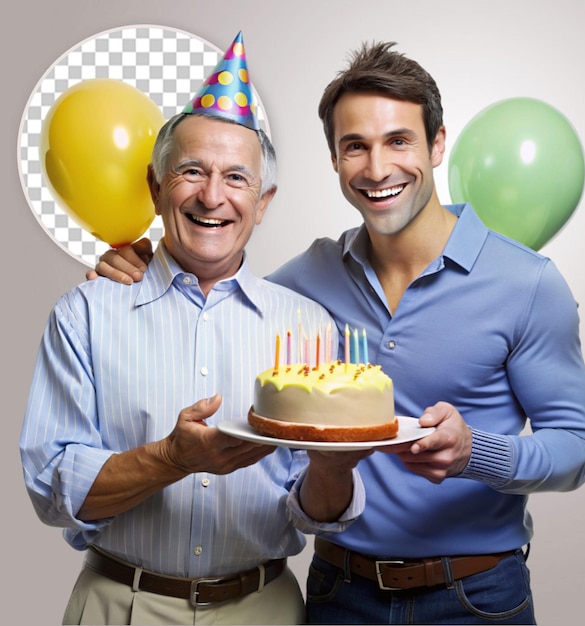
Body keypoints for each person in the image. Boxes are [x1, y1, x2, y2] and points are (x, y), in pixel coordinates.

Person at [88, 41, 585, 625]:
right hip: (338, 594)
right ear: (334, 160)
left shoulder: (527, 283)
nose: (377, 169)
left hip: (474, 595)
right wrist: (135, 261)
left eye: (398, 141)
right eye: (355, 146)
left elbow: (574, 451)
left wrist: (474, 453)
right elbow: (216, 285)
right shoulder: (308, 280)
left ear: (436, 144)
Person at [20, 33, 370, 626]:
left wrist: (333, 469)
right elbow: (53, 490)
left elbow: (310, 510)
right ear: (157, 189)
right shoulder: (83, 314)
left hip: (264, 609)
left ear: (263, 202)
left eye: (237, 178)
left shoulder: (308, 326)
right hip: (120, 606)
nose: (213, 196)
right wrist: (169, 458)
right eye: (191, 171)